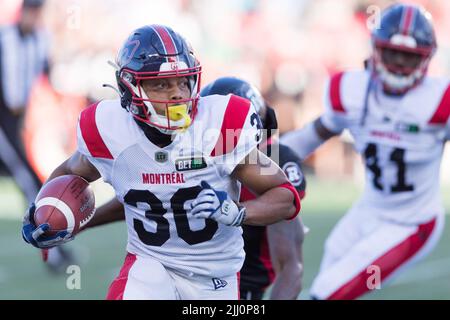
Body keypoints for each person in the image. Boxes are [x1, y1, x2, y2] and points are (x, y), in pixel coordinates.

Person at [22, 24, 301, 300]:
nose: (178, 93)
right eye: (161, 84)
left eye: (183, 81)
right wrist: (44, 213)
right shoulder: (109, 130)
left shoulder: (220, 127)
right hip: (150, 265)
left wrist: (237, 211)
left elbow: (285, 197)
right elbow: (72, 171)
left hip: (215, 278)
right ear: (130, 88)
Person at [282, 3, 446, 300]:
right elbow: (315, 133)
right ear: (375, 49)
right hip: (369, 209)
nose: (398, 64)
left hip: (414, 221)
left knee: (328, 293)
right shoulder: (350, 90)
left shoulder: (439, 100)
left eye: (408, 57)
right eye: (392, 53)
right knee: (331, 272)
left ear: (425, 57)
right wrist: (259, 158)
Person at [200, 77, 306, 300]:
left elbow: (290, 268)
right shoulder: (196, 157)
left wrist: (238, 212)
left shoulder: (274, 160)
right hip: (188, 276)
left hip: (240, 287)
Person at [0, 0, 73, 273]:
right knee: (29, 180)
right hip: (2, 121)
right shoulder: (4, 38)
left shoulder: (41, 41)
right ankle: (51, 252)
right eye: (29, 11)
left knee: (31, 180)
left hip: (15, 122)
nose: (32, 17)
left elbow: (50, 76)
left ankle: (52, 247)